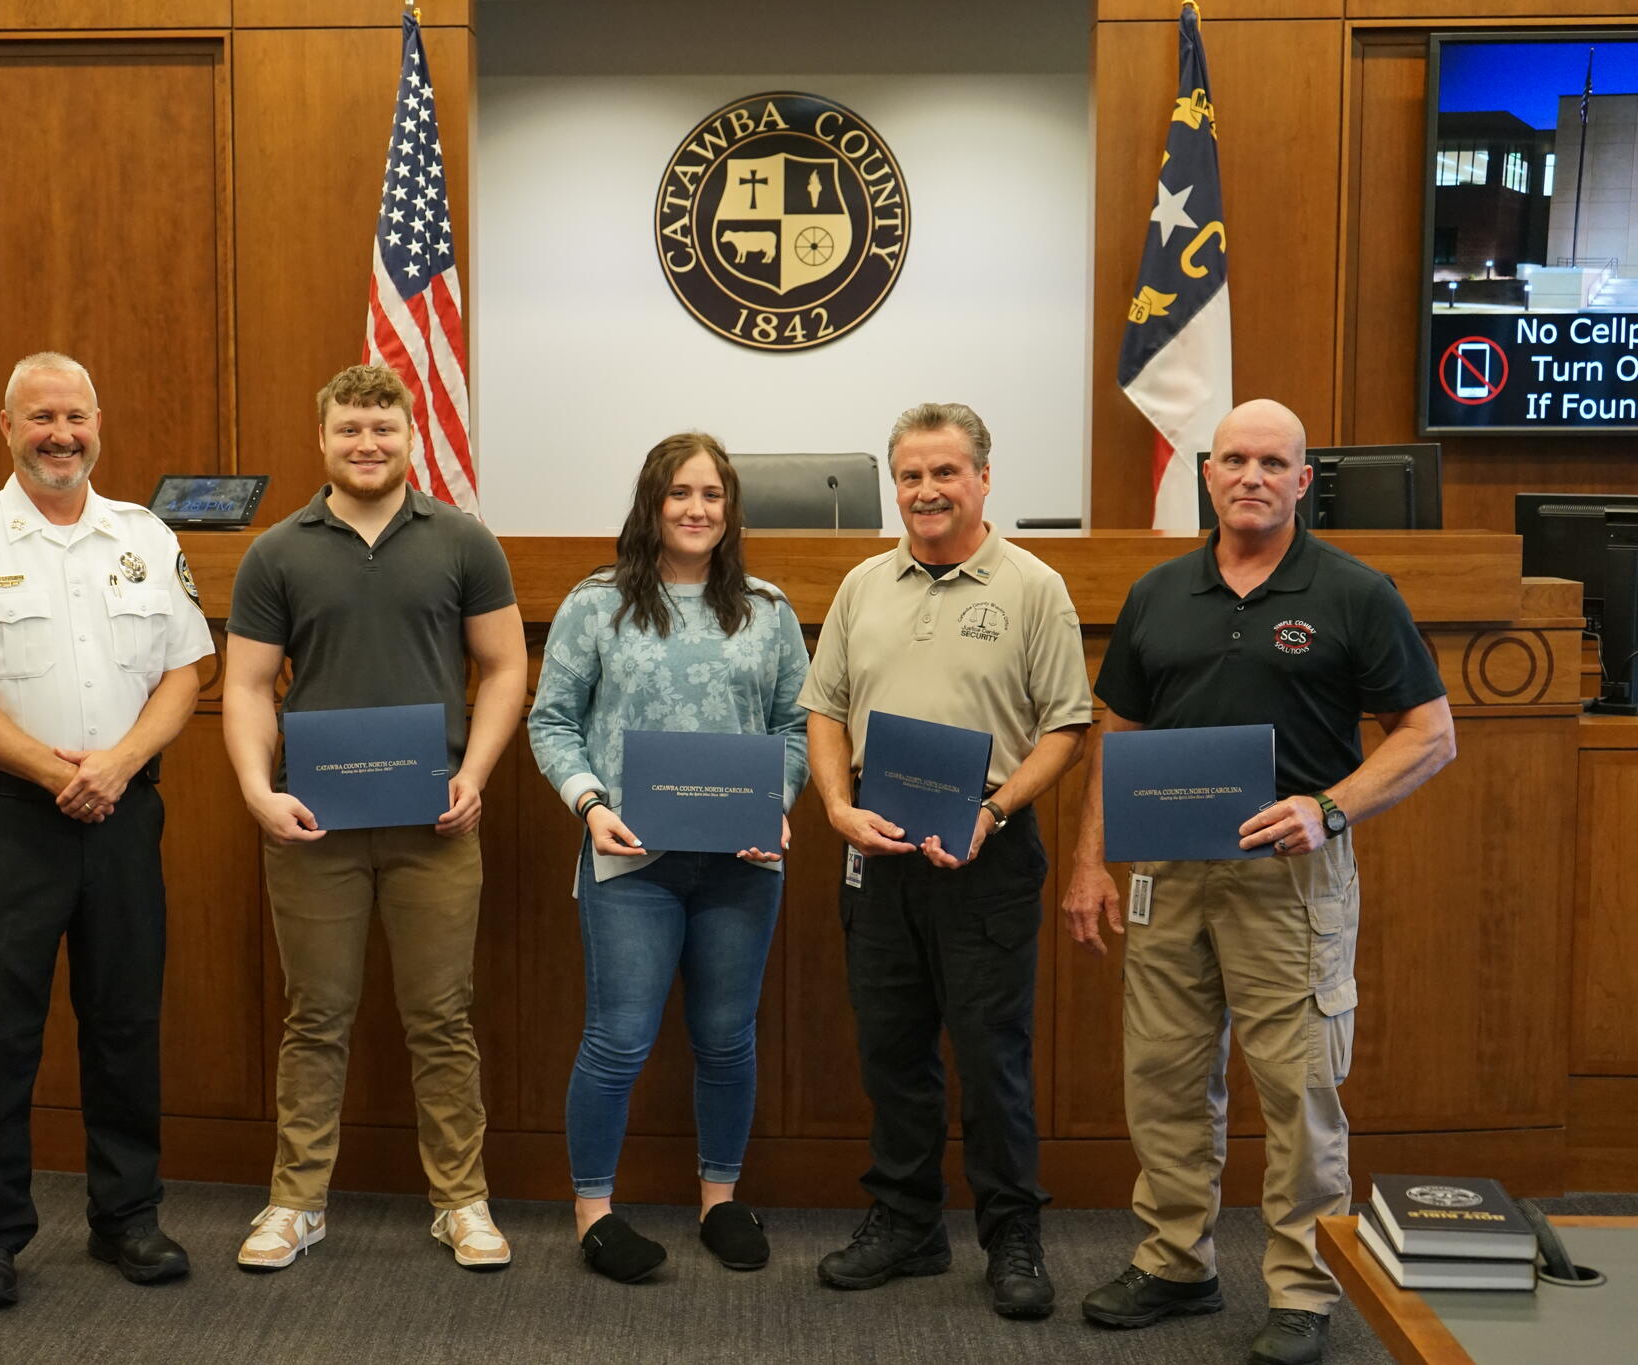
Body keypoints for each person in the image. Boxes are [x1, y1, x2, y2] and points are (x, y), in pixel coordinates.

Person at [1062, 399, 1456, 1365]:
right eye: (1234, 458)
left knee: (1299, 1088)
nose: (1251, 476)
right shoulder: (1161, 592)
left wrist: (1328, 807)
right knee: (1161, 1079)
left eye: (1272, 462)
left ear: (1302, 479)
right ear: (1208, 474)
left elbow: (1430, 734)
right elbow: (1122, 735)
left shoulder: (1354, 592)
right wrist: (1087, 864)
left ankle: (1303, 1284)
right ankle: (1174, 1261)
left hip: (1290, 880)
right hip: (1167, 876)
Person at [0, 351, 214, 1309]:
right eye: (41, 419)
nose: (60, 434)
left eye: (75, 416)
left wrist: (113, 767)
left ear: (98, 422)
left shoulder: (146, 537)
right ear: (6, 427)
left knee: (124, 1022)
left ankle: (128, 1218)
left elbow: (184, 674)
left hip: (122, 812)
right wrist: (53, 771)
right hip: (11, 820)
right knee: (1, 1033)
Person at [221, 363, 528, 1273]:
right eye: (351, 428)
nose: (367, 443)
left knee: (442, 1016)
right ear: (323, 439)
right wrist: (254, 788)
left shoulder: (465, 541)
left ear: (409, 437)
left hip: (436, 824)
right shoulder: (277, 551)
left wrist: (475, 772)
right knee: (317, 1015)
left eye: (383, 429)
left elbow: (505, 668)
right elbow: (243, 685)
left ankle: (462, 1201)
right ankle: (296, 1202)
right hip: (312, 825)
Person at [798, 402, 1090, 1318]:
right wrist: (837, 804)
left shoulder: (1035, 585)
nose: (926, 491)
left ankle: (1012, 1236)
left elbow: (1066, 727)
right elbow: (826, 709)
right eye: (911, 475)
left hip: (986, 857)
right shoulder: (862, 586)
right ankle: (907, 1221)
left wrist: (994, 811)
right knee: (892, 1051)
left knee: (991, 1055)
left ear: (983, 479)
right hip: (879, 858)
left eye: (945, 473)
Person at [527, 432, 809, 1283]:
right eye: (679, 492)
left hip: (741, 858)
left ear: (731, 510)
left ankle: (720, 1201)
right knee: (618, 1038)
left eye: (712, 495)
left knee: (727, 1039)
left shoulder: (767, 608)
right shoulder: (595, 604)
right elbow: (552, 721)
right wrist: (590, 802)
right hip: (631, 859)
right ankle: (595, 1212)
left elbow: (797, 727)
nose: (696, 509)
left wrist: (780, 802)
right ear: (651, 503)